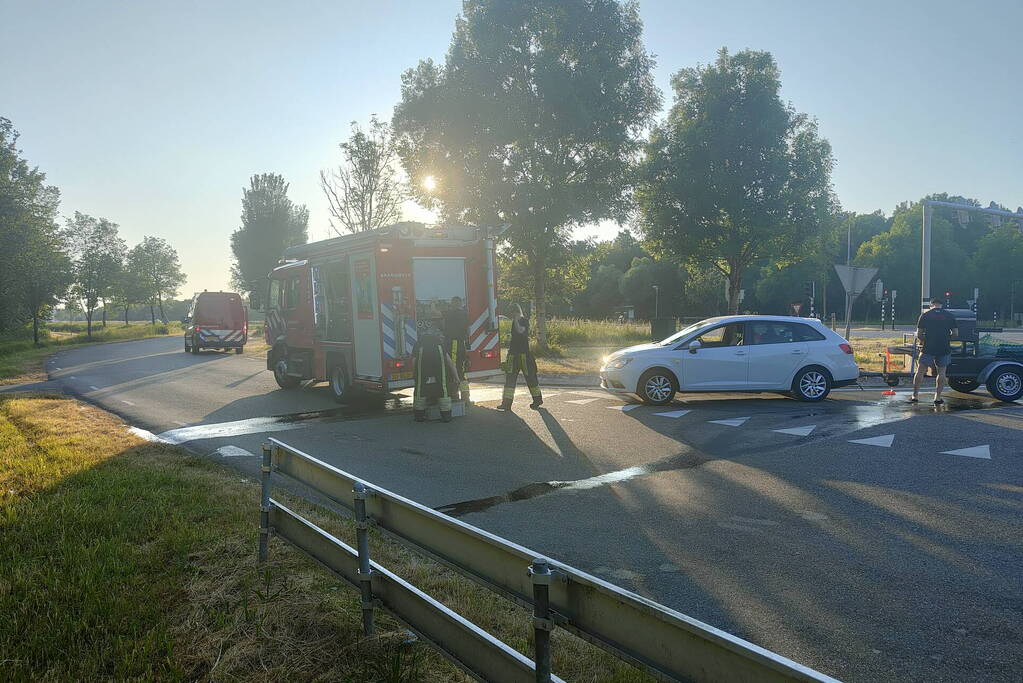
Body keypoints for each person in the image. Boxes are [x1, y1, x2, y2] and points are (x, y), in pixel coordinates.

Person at [412, 316, 462, 422]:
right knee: (443, 388)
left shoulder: (419, 343)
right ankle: (446, 416)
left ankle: (419, 416)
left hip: (423, 368)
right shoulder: (439, 344)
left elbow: (414, 361)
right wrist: (456, 378)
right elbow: (450, 362)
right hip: (439, 369)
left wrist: (415, 374)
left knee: (420, 389)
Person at [911, 297, 958, 405]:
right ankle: (937, 397)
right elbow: (955, 333)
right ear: (941, 305)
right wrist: (946, 339)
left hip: (928, 347)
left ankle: (915, 395)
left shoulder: (925, 315)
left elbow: (919, 334)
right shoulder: (949, 315)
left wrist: (925, 341)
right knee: (941, 372)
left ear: (931, 305)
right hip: (944, 347)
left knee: (920, 370)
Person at [499, 305, 542, 410]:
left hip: (524, 356)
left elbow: (520, 331)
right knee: (510, 380)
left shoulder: (524, 321)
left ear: (518, 312)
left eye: (514, 313)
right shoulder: (514, 322)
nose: (513, 315)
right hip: (513, 355)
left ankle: (537, 400)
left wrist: (517, 320)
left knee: (531, 378)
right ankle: (506, 404)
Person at [443, 295, 470, 401]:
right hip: (461, 344)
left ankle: (454, 395)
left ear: (453, 303)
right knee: (461, 371)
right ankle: (465, 396)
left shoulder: (450, 313)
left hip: (453, 344)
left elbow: (435, 314)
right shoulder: (464, 314)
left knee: (453, 369)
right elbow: (467, 330)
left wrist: (432, 303)